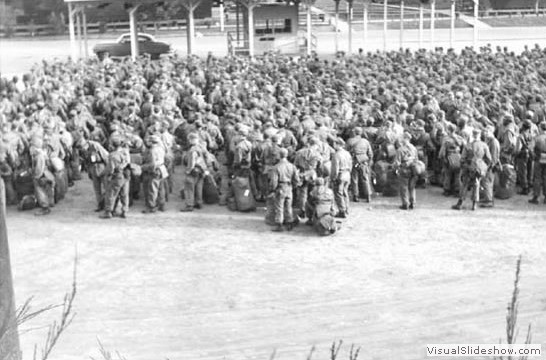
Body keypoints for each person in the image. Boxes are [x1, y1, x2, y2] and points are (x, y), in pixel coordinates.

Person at [452, 129, 491, 211]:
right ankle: (474, 204)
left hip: (468, 167)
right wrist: (483, 167)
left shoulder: (468, 146)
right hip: (479, 168)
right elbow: (488, 159)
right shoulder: (484, 145)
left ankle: (460, 203)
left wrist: (465, 166)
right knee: (476, 184)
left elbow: (462, 159)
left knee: (464, 185)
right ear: (480, 135)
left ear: (472, 135)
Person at [100, 136, 130, 219]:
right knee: (124, 194)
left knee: (111, 194)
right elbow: (127, 162)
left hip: (117, 176)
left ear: (112, 145)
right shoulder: (125, 152)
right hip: (126, 175)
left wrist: (105, 174)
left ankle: (108, 212)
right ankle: (124, 211)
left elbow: (110, 169)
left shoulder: (113, 155)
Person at [269, 148, 299, 232]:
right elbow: (296, 179)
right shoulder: (292, 166)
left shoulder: (276, 167)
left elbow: (273, 181)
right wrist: (294, 186)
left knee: (279, 207)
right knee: (288, 206)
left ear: (279, 155)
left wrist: (272, 189)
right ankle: (289, 223)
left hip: (280, 188)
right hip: (289, 187)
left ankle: (279, 225)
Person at [346, 127, 373, 202]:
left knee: (354, 179)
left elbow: (346, 152)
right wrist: (369, 161)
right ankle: (368, 196)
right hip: (364, 161)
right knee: (365, 179)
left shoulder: (350, 141)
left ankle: (355, 196)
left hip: (354, 161)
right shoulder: (365, 141)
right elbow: (370, 153)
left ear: (354, 132)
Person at [141, 135, 167, 213]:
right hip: (162, 169)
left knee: (152, 190)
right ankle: (162, 205)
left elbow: (153, 164)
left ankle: (152, 206)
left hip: (155, 171)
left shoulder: (152, 150)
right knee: (161, 189)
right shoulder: (161, 148)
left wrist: (143, 167)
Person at [181, 133, 206, 212]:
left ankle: (189, 205)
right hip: (202, 170)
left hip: (194, 170)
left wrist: (188, 171)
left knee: (189, 188)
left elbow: (191, 163)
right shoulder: (202, 147)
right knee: (199, 187)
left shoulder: (192, 150)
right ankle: (199, 202)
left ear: (191, 140)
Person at [30, 137, 54, 216]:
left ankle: (45, 207)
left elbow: (38, 169)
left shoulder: (39, 155)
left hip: (40, 175)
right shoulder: (42, 153)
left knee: (40, 191)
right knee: (45, 191)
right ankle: (47, 204)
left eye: (32, 145)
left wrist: (36, 177)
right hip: (45, 174)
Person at [394, 132, 418, 210]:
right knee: (412, 187)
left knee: (403, 188)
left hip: (404, 170)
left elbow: (397, 163)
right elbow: (416, 159)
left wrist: (395, 169)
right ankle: (412, 203)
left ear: (404, 139)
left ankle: (405, 204)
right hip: (413, 169)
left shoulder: (400, 150)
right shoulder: (414, 148)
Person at [330, 138, 352, 218]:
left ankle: (342, 211)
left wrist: (333, 178)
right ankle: (347, 209)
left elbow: (335, 168)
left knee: (338, 194)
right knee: (345, 193)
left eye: (334, 144)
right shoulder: (347, 153)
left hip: (340, 174)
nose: (333, 145)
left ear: (338, 144)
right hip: (347, 174)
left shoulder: (336, 155)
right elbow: (350, 165)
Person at [480, 125, 500, 208]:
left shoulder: (493, 142)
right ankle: (487, 198)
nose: (485, 133)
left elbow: (494, 156)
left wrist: (489, 166)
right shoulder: (490, 141)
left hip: (490, 166)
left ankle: (488, 201)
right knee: (487, 183)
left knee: (487, 183)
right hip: (488, 165)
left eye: (486, 131)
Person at [528, 122, 546, 204]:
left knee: (537, 178)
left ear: (541, 128)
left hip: (538, 158)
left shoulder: (537, 138)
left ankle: (536, 197)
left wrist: (534, 156)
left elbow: (530, 148)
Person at [515, 119, 534, 195]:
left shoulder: (520, 136)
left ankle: (525, 188)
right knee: (529, 171)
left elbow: (517, 149)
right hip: (530, 154)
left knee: (522, 172)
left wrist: (515, 155)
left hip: (522, 155)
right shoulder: (531, 136)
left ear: (523, 127)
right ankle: (529, 186)